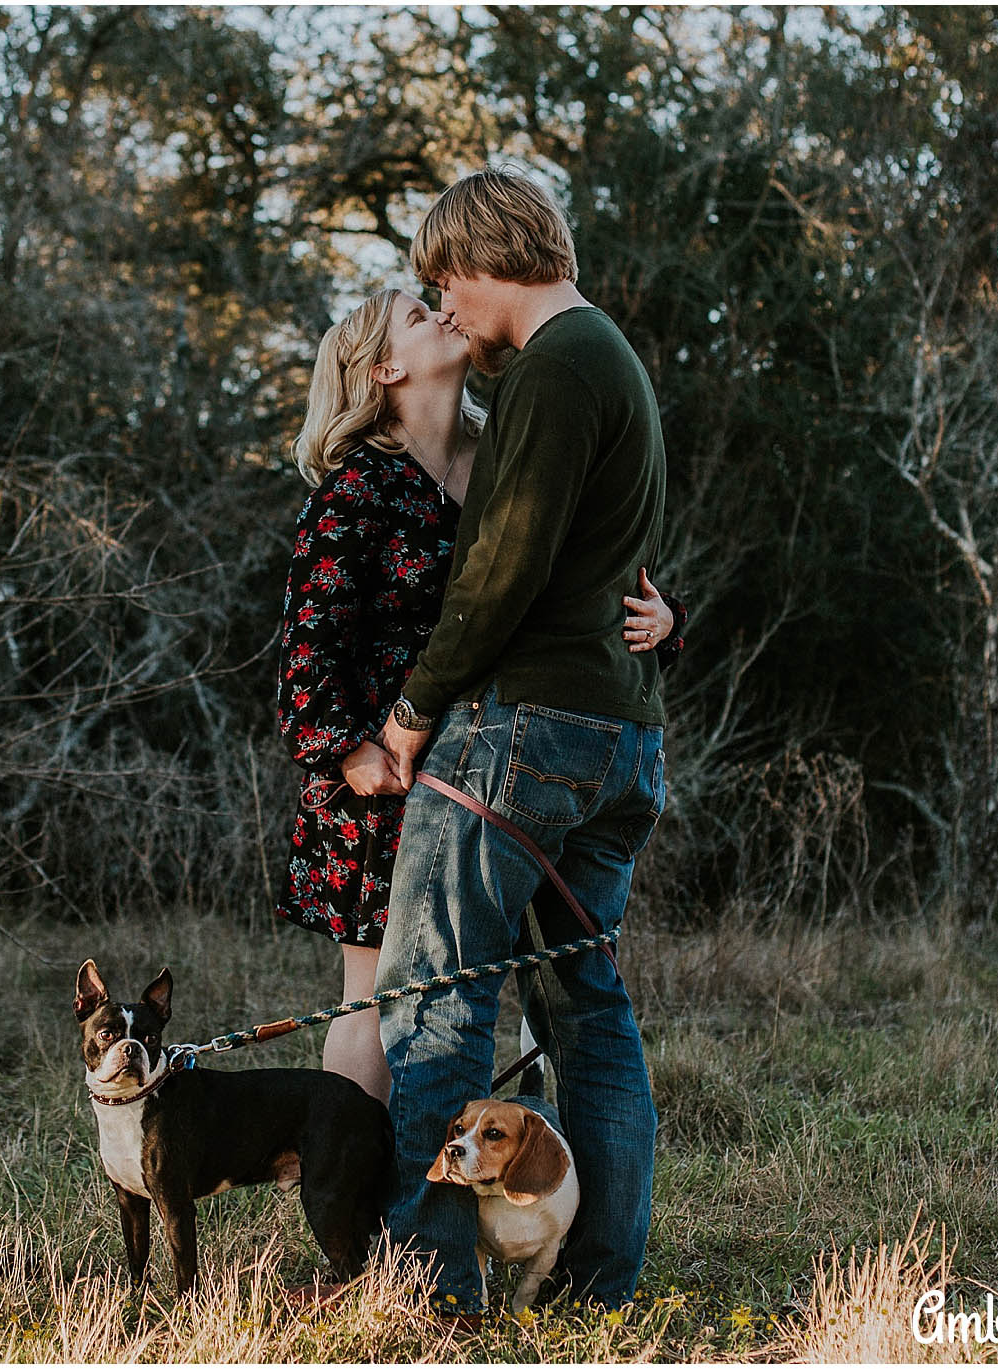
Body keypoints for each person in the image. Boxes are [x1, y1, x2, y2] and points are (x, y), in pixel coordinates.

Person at [371, 167, 672, 1316]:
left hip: (523, 730)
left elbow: (502, 570)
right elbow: (618, 560)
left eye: (444, 281)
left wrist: (411, 710)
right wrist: (667, 616)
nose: (443, 309)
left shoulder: (554, 369)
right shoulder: (613, 366)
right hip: (616, 738)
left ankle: (430, 1288)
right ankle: (597, 1285)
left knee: (435, 998)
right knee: (584, 1007)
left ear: (485, 257)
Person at [274, 287, 685, 1106]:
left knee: (480, 999)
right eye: (418, 316)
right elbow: (304, 659)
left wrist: (666, 621)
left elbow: (575, 582)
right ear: (384, 368)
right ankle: (351, 1212)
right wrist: (354, 753)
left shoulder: (503, 455)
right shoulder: (356, 493)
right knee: (380, 1000)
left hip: (498, 763)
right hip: (386, 775)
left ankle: (482, 1197)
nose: (443, 313)